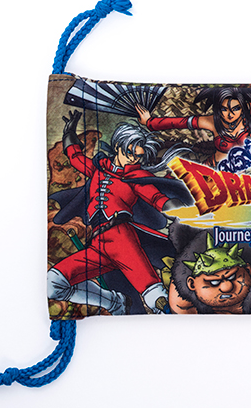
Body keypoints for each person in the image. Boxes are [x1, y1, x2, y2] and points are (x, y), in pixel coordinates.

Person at [48, 110, 191, 315]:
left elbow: (156, 198)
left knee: (157, 299)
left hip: (122, 241)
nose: (133, 159)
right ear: (118, 147)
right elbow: (76, 158)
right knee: (54, 283)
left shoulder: (136, 177)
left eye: (138, 156)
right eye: (130, 153)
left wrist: (178, 208)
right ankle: (114, 302)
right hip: (97, 244)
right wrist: (69, 134)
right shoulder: (99, 169)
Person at [136, 86, 251, 166]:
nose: (230, 115)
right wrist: (150, 122)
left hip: (246, 170)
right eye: (224, 109)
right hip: (216, 170)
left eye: (236, 109)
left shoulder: (248, 111)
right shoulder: (213, 121)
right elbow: (179, 122)